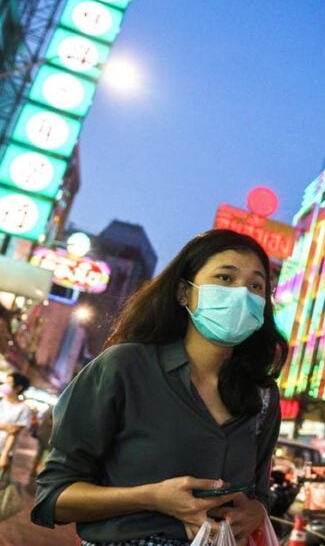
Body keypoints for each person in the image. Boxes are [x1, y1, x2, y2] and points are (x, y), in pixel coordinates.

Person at [31, 229, 288, 546]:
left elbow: (258, 494)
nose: (241, 294)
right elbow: (53, 497)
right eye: (225, 278)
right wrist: (151, 497)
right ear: (184, 292)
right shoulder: (125, 367)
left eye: (255, 285)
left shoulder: (262, 395)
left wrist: (256, 512)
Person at [0, 371, 33, 475]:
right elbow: (11, 429)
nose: (5, 385)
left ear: (18, 388)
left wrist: (4, 455)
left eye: (9, 383)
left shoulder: (24, 409)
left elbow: (14, 432)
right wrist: (6, 427)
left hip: (4, 450)